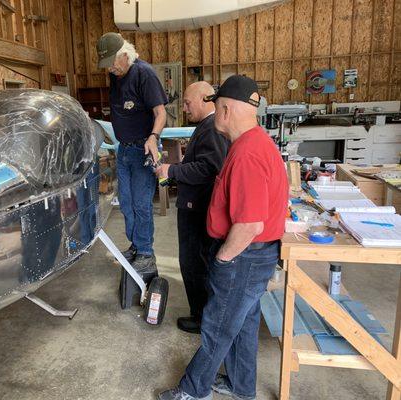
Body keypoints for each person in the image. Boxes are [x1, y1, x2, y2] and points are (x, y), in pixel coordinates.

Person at [158, 75, 289, 400]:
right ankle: (241, 386)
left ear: (226, 109)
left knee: (217, 327)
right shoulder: (253, 142)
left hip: (245, 256)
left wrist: (223, 258)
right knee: (243, 324)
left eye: (216, 106)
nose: (213, 112)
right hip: (256, 256)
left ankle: (193, 389)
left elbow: (249, 225)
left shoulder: (247, 154)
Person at [156, 81, 229, 334]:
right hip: (197, 204)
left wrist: (172, 170)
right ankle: (203, 314)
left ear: (204, 99)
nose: (185, 108)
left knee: (193, 262)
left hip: (198, 207)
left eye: (187, 103)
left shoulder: (210, 128)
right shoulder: (208, 126)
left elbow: (210, 168)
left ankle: (201, 318)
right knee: (196, 261)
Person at [96, 32, 168, 270]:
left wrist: (153, 137)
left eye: (112, 65)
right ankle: (136, 246)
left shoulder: (144, 74)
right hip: (124, 149)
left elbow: (160, 113)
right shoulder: (116, 76)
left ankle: (146, 251)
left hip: (142, 148)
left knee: (140, 203)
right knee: (125, 203)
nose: (110, 70)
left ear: (125, 56)